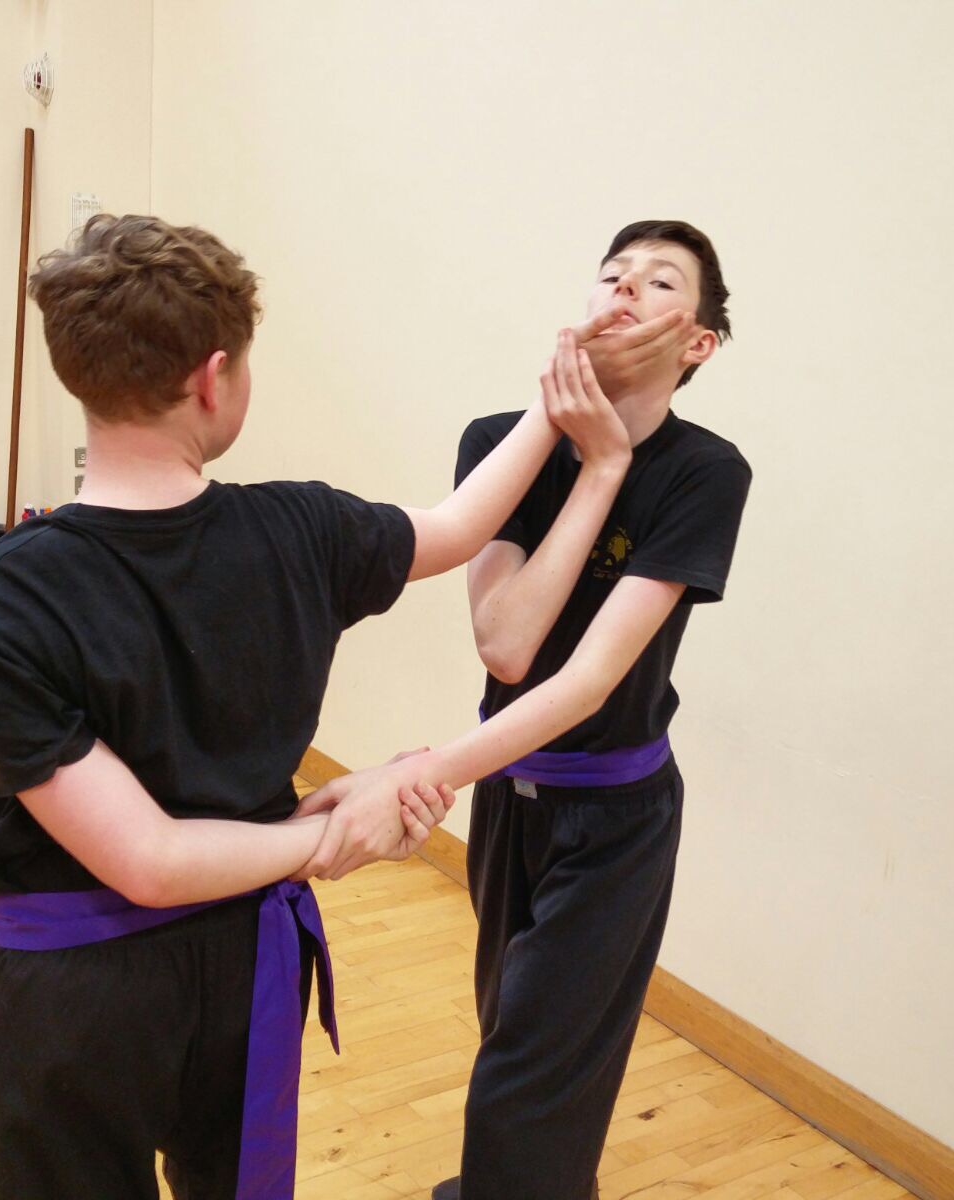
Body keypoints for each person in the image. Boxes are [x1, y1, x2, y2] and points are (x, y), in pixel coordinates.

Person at [0, 213, 663, 1199]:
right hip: (237, 966)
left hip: (74, 1010)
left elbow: (148, 859)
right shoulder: (299, 528)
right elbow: (457, 529)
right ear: (212, 378)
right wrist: (339, 831)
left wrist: (568, 381)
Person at [305, 220, 751, 1200]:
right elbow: (506, 644)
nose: (625, 289)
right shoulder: (499, 442)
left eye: (658, 281)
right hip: (512, 799)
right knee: (519, 1034)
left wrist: (420, 777)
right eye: (610, 274)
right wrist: (582, 456)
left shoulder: (704, 473)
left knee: (527, 1079)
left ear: (696, 343)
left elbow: (584, 681)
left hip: (616, 824)